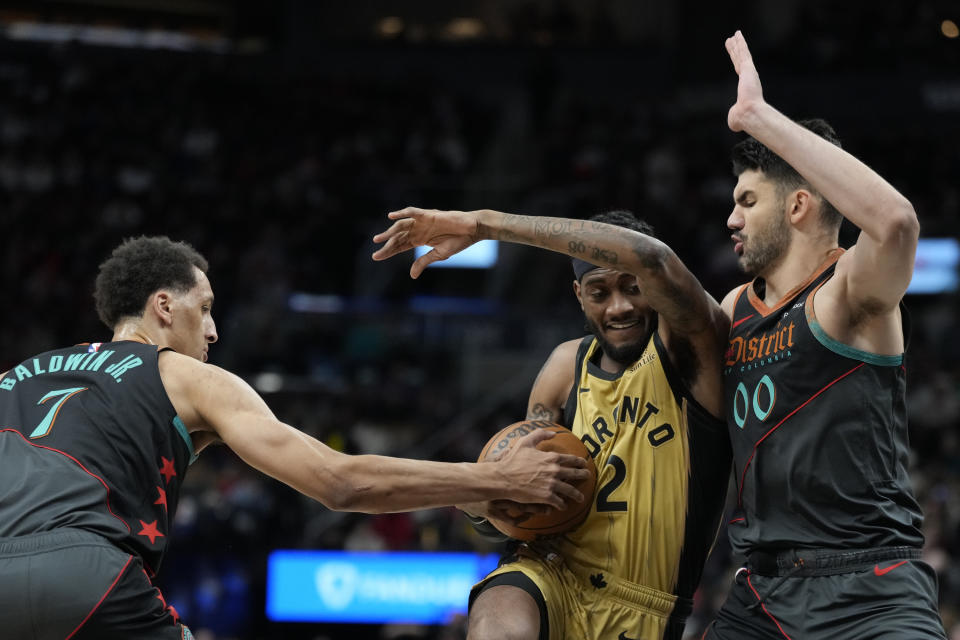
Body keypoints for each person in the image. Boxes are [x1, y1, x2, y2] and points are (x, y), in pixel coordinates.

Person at [0, 236, 591, 640]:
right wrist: (494, 479)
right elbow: (339, 481)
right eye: (204, 309)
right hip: (89, 577)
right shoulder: (184, 374)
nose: (212, 330)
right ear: (163, 306)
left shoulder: (12, 379)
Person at [373, 209, 732, 639]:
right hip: (548, 572)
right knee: (497, 612)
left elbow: (652, 258)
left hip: (645, 605)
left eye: (632, 287)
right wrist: (488, 503)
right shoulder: (565, 367)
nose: (619, 307)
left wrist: (483, 225)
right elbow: (519, 503)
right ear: (579, 295)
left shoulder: (692, 348)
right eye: (600, 292)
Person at [702, 32, 946, 638]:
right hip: (760, 595)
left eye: (748, 200)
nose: (731, 218)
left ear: (799, 206)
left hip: (873, 591)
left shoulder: (847, 294)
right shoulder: (735, 308)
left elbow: (894, 222)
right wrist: (489, 224)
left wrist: (758, 117)